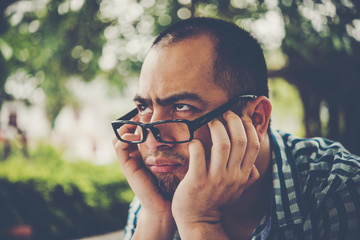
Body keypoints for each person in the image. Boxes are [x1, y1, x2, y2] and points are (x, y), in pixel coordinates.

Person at [112, 17, 360, 239]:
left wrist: (200, 224)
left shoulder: (340, 192)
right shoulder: (156, 199)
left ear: (256, 118)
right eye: (144, 107)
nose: (152, 142)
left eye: (181, 107)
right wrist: (156, 218)